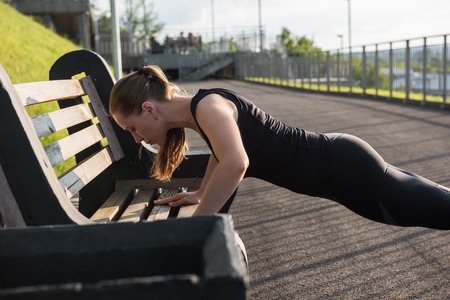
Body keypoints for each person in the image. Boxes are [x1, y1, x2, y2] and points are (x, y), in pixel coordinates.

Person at [109, 65, 450, 230]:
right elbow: (221, 153)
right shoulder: (199, 111)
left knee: (434, 211)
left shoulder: (209, 107)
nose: (137, 138)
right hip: (341, 168)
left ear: (150, 109)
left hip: (345, 169)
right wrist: (201, 194)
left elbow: (236, 162)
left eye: (133, 129)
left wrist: (196, 225)